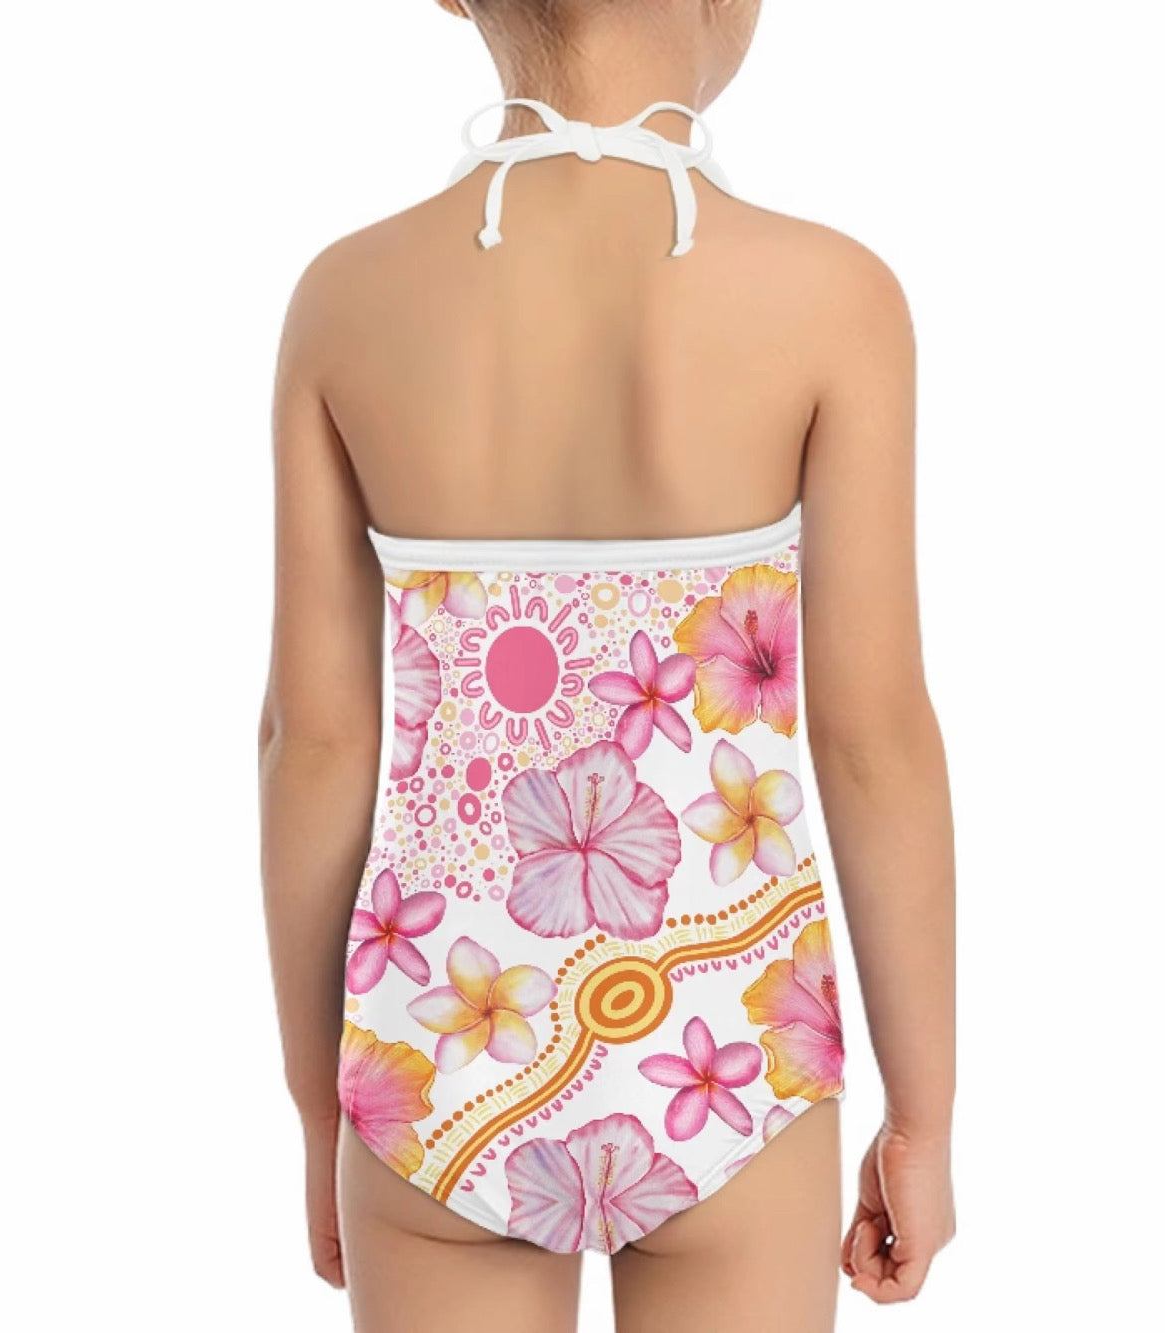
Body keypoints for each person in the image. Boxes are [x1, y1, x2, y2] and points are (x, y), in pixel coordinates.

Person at [258, 2, 955, 1329]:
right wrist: (921, 1114)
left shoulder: (346, 300)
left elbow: (314, 743)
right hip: (730, 1043)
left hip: (442, 1048)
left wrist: (317, 1102)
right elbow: (874, 740)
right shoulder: (830, 297)